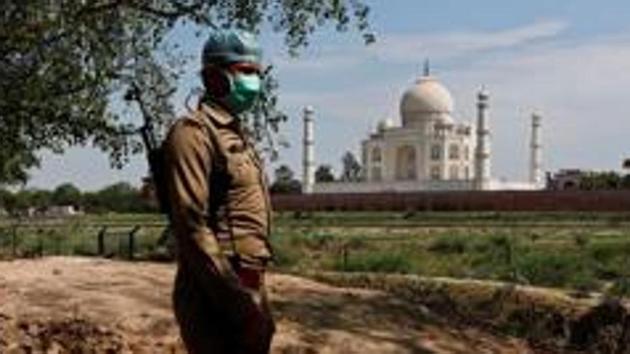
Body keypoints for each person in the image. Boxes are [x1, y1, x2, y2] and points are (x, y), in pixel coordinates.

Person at [163, 29, 275, 354]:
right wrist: (238, 301)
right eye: (246, 72)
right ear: (214, 77)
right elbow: (191, 226)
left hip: (248, 280)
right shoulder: (192, 133)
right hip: (216, 290)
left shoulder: (234, 134)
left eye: (258, 73)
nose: (255, 82)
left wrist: (254, 301)